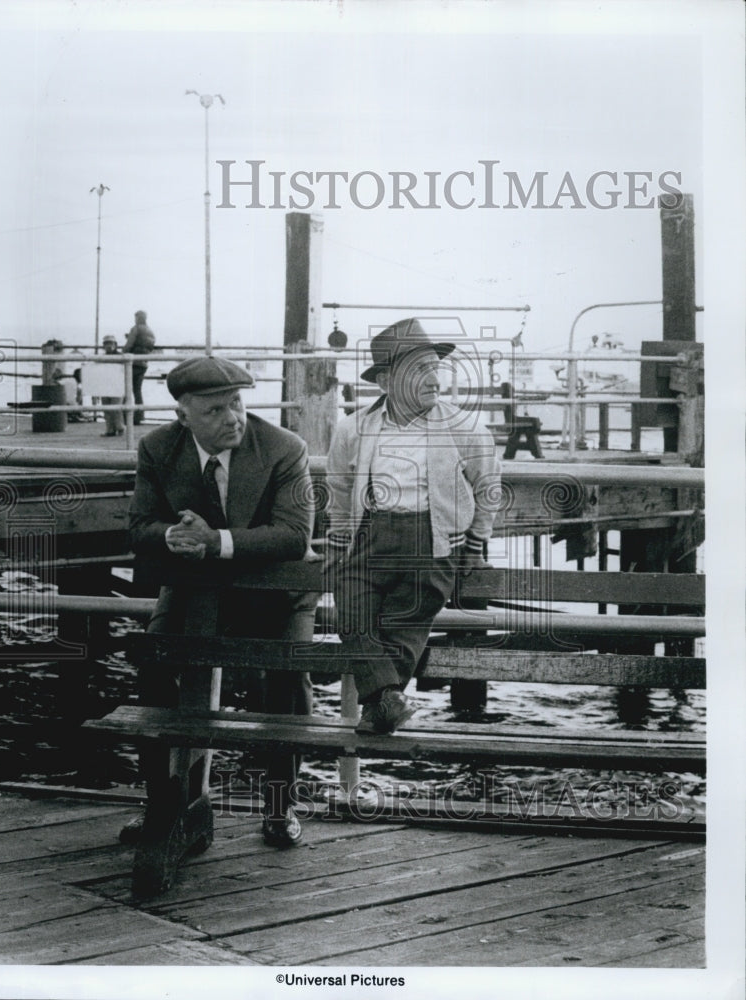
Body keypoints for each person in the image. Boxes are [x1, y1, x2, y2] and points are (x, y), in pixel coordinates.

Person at [129, 355, 316, 847]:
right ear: (183, 415)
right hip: (195, 587)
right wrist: (172, 535)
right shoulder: (158, 448)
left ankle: (279, 805)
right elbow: (140, 526)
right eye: (215, 410)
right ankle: (165, 805)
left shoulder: (284, 447)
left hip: (277, 588)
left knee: (285, 680)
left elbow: (293, 536)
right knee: (155, 667)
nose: (233, 418)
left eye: (236, 403)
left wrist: (217, 542)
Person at [325, 318, 501, 735]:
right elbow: (340, 488)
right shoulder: (353, 428)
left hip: (433, 541)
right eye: (420, 370)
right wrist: (338, 539)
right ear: (386, 381)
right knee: (350, 608)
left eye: (435, 368)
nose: (435, 379)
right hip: (370, 535)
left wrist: (476, 542)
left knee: (407, 618)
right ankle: (388, 700)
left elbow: (488, 488)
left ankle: (380, 704)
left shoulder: (464, 428)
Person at [124, 310, 156, 425]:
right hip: (143, 363)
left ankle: (125, 416)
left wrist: (123, 353)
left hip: (133, 363)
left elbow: (129, 345)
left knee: (126, 390)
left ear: (138, 318)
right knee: (137, 391)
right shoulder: (151, 331)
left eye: (136, 318)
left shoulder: (135, 328)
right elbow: (149, 346)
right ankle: (139, 416)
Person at [100, 334, 125, 437]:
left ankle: (120, 427)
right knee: (106, 407)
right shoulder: (102, 358)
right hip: (106, 384)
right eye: (106, 343)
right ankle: (110, 429)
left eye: (111, 343)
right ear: (104, 346)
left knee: (116, 407)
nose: (109, 346)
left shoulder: (121, 357)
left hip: (117, 384)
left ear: (115, 345)